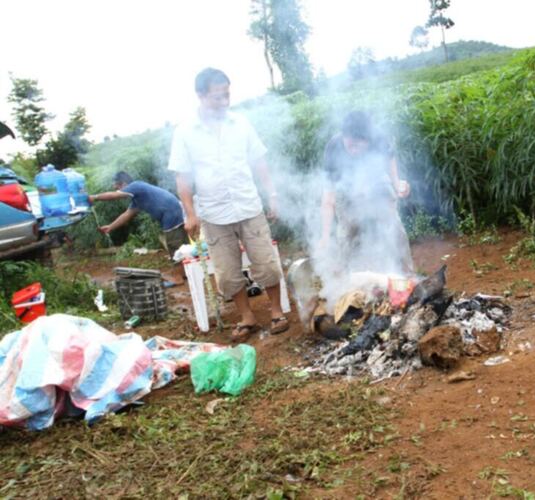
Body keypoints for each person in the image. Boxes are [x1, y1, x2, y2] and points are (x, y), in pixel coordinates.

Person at [168, 67, 289, 340]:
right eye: (217, 97)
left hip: (248, 205)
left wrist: (272, 195)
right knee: (226, 273)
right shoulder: (185, 132)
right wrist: (190, 212)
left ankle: (276, 312)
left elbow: (259, 161)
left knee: (266, 263)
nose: (224, 102)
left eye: (226, 95)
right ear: (200, 95)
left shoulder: (240, 123)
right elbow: (182, 176)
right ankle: (247, 317)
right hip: (213, 212)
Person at [319, 111, 414, 275]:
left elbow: (390, 158)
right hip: (345, 189)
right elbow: (328, 199)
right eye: (350, 144)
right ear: (343, 136)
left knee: (394, 227)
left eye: (358, 144)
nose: (354, 149)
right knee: (346, 234)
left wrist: (397, 183)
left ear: (368, 140)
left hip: (376, 180)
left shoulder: (378, 138)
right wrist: (325, 235)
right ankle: (345, 281)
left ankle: (407, 274)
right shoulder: (333, 147)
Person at [89, 172, 188, 284]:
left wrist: (95, 197)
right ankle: (186, 272)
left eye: (118, 187)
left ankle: (178, 276)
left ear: (124, 184)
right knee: (181, 244)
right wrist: (110, 227)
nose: (118, 190)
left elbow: (115, 195)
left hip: (171, 212)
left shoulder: (136, 185)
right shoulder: (137, 199)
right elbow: (127, 214)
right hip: (172, 211)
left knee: (174, 244)